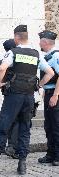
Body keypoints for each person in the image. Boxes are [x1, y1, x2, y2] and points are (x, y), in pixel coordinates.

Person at [0, 25, 54, 175]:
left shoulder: (13, 52)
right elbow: (50, 72)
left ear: (16, 38)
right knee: (24, 129)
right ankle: (22, 164)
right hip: (28, 97)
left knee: (3, 127)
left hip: (13, 96)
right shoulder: (36, 54)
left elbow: (2, 68)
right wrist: (38, 85)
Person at [38, 30, 59, 166]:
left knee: (56, 125)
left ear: (45, 42)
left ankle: (57, 155)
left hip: (55, 94)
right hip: (49, 93)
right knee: (49, 125)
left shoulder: (56, 56)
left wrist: (56, 95)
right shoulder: (48, 56)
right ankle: (51, 153)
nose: (39, 43)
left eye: (40, 40)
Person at [0, 39, 19, 158]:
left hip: (7, 93)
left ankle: (1, 145)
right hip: (18, 94)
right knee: (16, 121)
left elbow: (1, 76)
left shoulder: (2, 61)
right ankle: (12, 147)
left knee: (6, 119)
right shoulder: (16, 60)